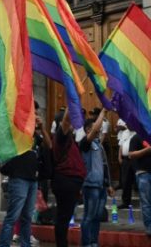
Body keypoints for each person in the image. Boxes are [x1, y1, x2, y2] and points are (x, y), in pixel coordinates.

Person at [0, 102, 50, 247]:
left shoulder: (35, 134)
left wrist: (42, 128)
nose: (37, 115)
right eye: (34, 112)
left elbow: (48, 145)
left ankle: (25, 244)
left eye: (37, 112)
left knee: (27, 217)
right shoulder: (18, 129)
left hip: (33, 179)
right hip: (19, 178)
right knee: (13, 216)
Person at [51, 106, 86, 247]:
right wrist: (72, 98)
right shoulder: (61, 137)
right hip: (65, 180)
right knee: (63, 217)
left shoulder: (71, 141)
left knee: (64, 217)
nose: (73, 124)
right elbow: (66, 120)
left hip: (72, 182)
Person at [79, 108, 113, 247]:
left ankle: (94, 242)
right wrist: (103, 113)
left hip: (101, 187)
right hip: (90, 185)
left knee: (98, 216)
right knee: (89, 216)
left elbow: (105, 166)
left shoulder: (99, 146)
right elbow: (95, 131)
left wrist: (109, 184)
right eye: (94, 128)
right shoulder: (84, 143)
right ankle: (86, 243)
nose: (98, 130)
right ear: (88, 130)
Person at [115, 118, 135, 209]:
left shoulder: (139, 132)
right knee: (125, 181)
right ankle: (126, 202)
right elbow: (121, 145)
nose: (129, 126)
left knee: (138, 180)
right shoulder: (124, 133)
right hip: (125, 160)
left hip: (136, 159)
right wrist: (119, 156)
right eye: (128, 124)